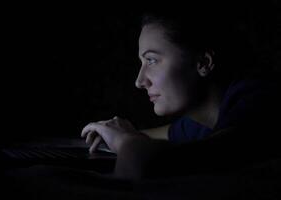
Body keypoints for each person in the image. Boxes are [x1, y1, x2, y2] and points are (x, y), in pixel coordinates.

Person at [81, 6, 281, 180]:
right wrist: (113, 132)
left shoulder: (259, 103)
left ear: (203, 63)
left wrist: (123, 141)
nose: (139, 82)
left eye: (151, 60)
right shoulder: (198, 124)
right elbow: (151, 136)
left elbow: (140, 160)